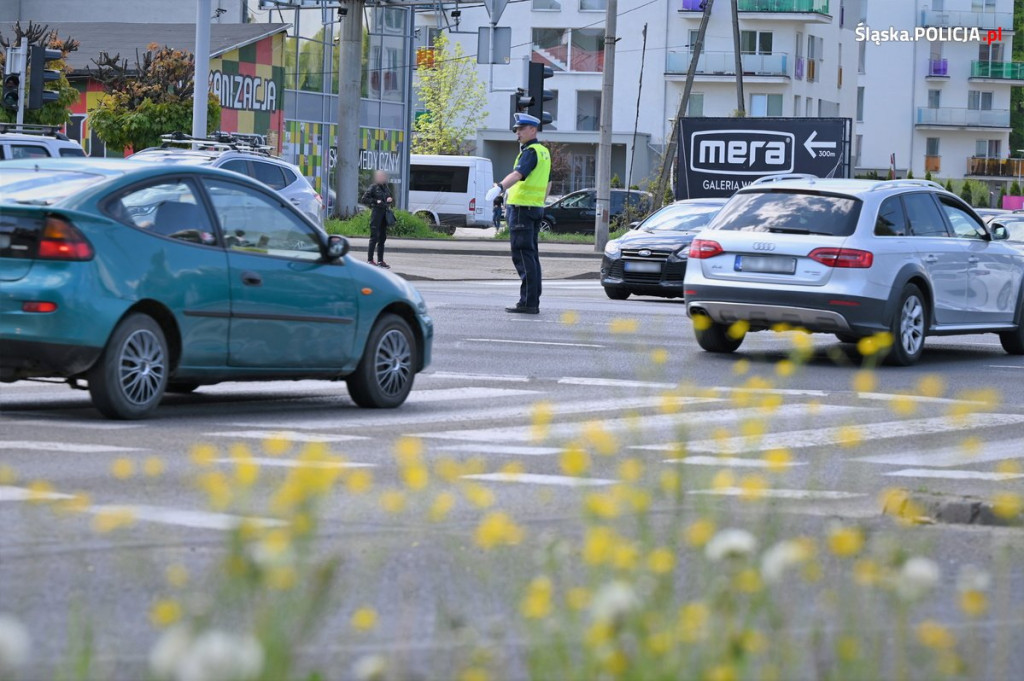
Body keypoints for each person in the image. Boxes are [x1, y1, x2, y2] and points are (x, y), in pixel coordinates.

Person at [485, 112, 551, 314]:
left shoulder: (531, 152)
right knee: (531, 256)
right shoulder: (544, 152)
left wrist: (499, 187)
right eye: (517, 130)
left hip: (523, 210)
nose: (518, 134)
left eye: (521, 129)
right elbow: (548, 182)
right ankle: (531, 300)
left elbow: (518, 174)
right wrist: (540, 203)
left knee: (522, 256)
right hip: (533, 208)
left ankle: (528, 302)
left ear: (533, 129)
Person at [360, 170, 394, 269]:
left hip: (384, 214)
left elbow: (389, 197)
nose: (382, 178)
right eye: (380, 176)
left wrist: (389, 199)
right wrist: (376, 201)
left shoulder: (386, 187)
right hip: (376, 214)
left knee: (382, 238)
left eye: (383, 176)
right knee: (374, 237)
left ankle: (380, 260)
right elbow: (364, 199)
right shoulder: (373, 187)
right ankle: (370, 260)